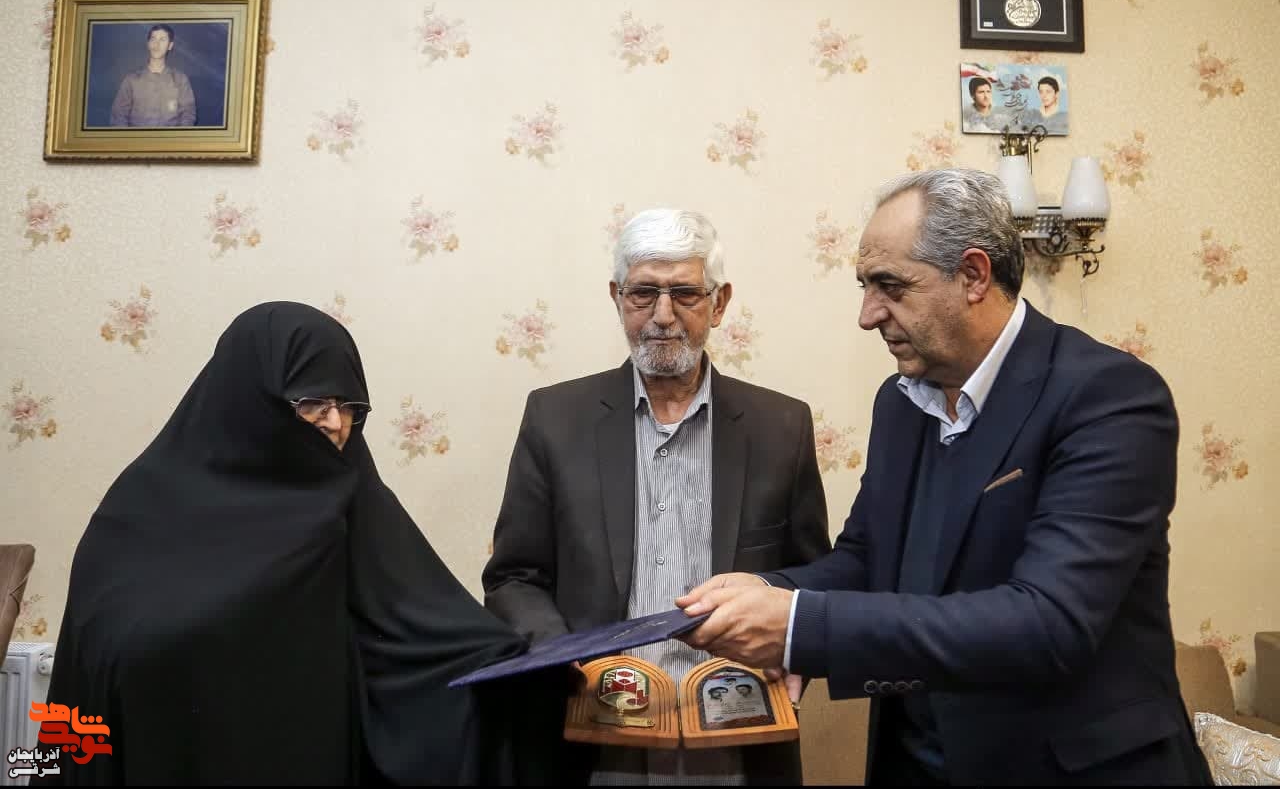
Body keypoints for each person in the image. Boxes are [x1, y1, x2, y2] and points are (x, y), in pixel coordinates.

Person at [676, 169, 1213, 786]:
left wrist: (800, 627)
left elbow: (1050, 623)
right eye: (865, 286)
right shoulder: (900, 402)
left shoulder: (1108, 396)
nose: (867, 315)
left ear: (974, 275)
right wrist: (765, 591)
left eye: (890, 286)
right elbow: (867, 561)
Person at [35, 301, 565, 785]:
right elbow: (105, 655)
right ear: (251, 399)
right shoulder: (140, 509)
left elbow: (425, 628)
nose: (335, 423)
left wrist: (522, 673)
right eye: (313, 402)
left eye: (349, 404)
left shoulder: (351, 497)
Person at [482, 208, 832, 785]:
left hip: (739, 746)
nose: (663, 316)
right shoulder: (554, 418)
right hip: (593, 742)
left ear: (718, 303)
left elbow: (813, 576)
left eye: (685, 293)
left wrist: (796, 650)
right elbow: (514, 576)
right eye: (644, 293)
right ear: (617, 297)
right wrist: (559, 656)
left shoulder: (781, 426)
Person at [108, 24, 196, 127]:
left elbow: (188, 114)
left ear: (170, 46)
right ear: (148, 43)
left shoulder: (180, 80)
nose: (156, 44)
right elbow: (118, 116)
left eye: (162, 39)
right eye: (153, 39)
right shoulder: (131, 80)